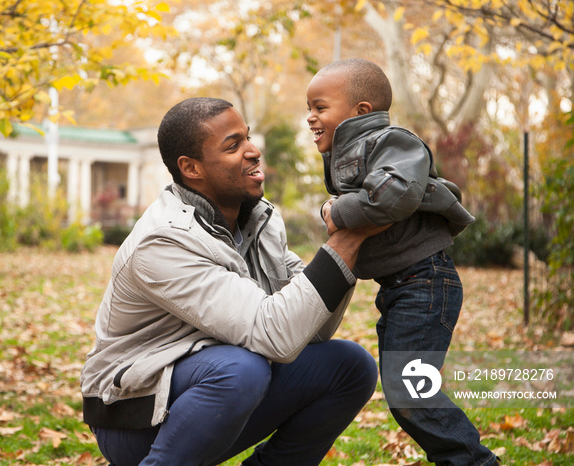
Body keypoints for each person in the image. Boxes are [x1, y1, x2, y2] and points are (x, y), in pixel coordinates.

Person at [81, 97, 384, 466]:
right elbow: (275, 335)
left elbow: (311, 330)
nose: (253, 152)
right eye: (233, 145)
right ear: (191, 168)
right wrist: (346, 239)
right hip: (133, 418)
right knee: (240, 369)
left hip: (217, 389)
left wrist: (347, 241)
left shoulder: (260, 220)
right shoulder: (163, 242)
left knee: (349, 366)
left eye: (248, 138)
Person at [306, 58, 499, 466]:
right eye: (310, 108)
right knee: (405, 392)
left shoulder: (392, 140)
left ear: (361, 111)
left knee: (409, 391)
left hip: (425, 283)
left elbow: (393, 195)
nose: (310, 117)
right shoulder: (351, 153)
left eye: (320, 107)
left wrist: (336, 212)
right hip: (401, 287)